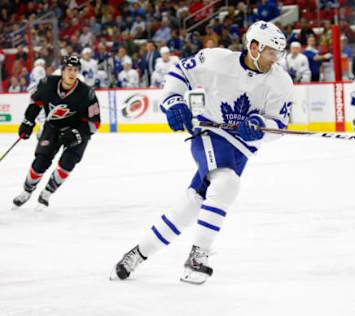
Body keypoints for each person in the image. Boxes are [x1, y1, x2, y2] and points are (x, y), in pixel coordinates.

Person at [111, 21, 293, 285]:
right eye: (270, 52)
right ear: (253, 47)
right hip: (210, 133)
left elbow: (279, 125)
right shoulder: (218, 60)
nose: (275, 58)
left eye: (278, 53)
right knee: (227, 183)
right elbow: (180, 72)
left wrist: (261, 129)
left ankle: (137, 254)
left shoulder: (280, 82)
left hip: (241, 149)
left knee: (191, 204)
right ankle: (198, 256)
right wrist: (173, 99)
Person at [12, 56, 101, 210]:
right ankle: (26, 191)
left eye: (75, 70)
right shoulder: (48, 83)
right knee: (41, 161)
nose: (72, 73)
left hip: (77, 130)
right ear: (62, 71)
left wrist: (76, 134)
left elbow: (94, 123)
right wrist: (28, 121)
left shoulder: (87, 93)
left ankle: (46, 193)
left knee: (67, 164)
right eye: (69, 69)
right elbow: (36, 102)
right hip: (52, 127)